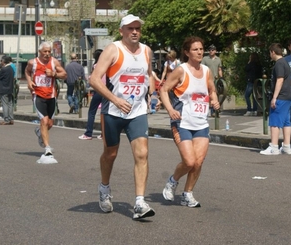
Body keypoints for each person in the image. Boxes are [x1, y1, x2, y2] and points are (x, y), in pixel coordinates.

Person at [89, 14, 156, 220]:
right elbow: (94, 79)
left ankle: (139, 202)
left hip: (136, 112)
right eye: (130, 28)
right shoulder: (113, 49)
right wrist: (115, 100)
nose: (135, 31)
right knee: (110, 154)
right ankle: (104, 188)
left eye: (137, 28)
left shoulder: (147, 51)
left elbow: (148, 75)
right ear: (121, 31)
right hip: (113, 111)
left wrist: (152, 94)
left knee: (142, 154)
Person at [160, 36, 220, 208]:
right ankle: (172, 181)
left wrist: (214, 100)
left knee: (198, 161)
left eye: (201, 49)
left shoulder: (207, 71)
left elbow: (212, 90)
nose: (200, 52)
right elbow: (164, 89)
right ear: (187, 52)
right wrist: (170, 110)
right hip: (182, 122)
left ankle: (187, 193)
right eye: (195, 49)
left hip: (201, 123)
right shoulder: (181, 70)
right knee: (189, 161)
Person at [25, 42, 67, 157]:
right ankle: (47, 148)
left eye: (49, 51)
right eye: (45, 51)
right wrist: (29, 81)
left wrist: (54, 73)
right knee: (44, 120)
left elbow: (64, 74)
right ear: (40, 52)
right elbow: (27, 72)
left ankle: (39, 132)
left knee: (50, 123)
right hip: (38, 95)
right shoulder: (32, 63)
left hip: (51, 95)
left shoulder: (54, 62)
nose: (47, 54)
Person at [260, 43, 291, 155]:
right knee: (286, 121)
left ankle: (274, 147)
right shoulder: (285, 63)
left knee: (274, 120)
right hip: (288, 95)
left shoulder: (279, 64)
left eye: (270, 53)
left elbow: (279, 80)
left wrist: (274, 97)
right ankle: (286, 146)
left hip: (281, 96)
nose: (270, 55)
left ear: (273, 52)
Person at [79, 49, 103, 140]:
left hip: (98, 90)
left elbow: (93, 78)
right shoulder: (108, 65)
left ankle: (88, 133)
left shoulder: (95, 66)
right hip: (107, 91)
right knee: (104, 113)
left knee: (92, 112)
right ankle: (104, 134)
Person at [201, 44, 222, 116]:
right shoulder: (205, 59)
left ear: (215, 51)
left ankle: (215, 110)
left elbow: (219, 69)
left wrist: (221, 78)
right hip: (207, 79)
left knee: (215, 94)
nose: (211, 51)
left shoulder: (218, 59)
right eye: (209, 50)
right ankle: (209, 110)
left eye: (212, 50)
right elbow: (201, 68)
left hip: (216, 80)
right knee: (208, 95)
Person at [0, 55, 14, 125]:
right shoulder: (11, 68)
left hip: (4, 89)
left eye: (1, 60)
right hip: (10, 88)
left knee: (5, 104)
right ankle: (11, 118)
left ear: (4, 61)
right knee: (10, 104)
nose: (1, 62)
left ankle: (6, 119)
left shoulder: (4, 69)